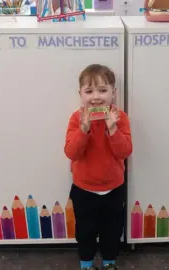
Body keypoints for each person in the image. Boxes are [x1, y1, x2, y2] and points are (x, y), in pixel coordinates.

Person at [64, 64, 133, 270]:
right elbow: (71, 153)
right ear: (80, 94)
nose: (96, 97)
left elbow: (125, 152)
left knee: (112, 230)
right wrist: (84, 130)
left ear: (114, 93)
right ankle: (86, 263)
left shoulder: (120, 118)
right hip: (84, 189)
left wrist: (112, 129)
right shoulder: (77, 119)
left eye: (103, 90)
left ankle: (109, 262)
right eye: (89, 91)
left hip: (114, 188)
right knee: (85, 230)